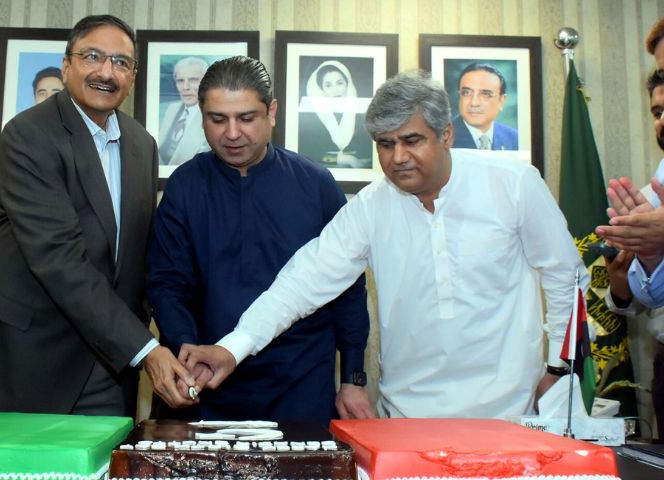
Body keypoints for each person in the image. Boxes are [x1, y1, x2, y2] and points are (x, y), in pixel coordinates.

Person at [180, 71, 587, 419]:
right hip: (411, 414)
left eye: (412, 140)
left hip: (512, 409)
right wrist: (231, 349)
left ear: (445, 134)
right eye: (385, 144)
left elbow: (565, 276)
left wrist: (560, 367)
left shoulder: (513, 183)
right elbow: (302, 282)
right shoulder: (373, 205)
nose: (398, 158)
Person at [0, 14, 196, 416]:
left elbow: (137, 258)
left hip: (108, 364)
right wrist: (146, 349)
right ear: (66, 65)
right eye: (93, 56)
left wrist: (174, 336)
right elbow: (59, 259)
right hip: (24, 357)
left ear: (133, 76)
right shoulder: (29, 134)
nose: (106, 72)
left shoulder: (142, 145)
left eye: (121, 62)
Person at [147, 56, 372, 424]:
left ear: (272, 112)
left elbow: (347, 287)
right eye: (217, 119)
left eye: (246, 118)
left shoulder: (316, 184)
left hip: (299, 385)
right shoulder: (184, 186)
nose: (232, 133)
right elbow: (167, 283)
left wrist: (352, 377)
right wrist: (188, 350)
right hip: (205, 386)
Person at [599, 68, 664, 437]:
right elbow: (638, 298)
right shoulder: (652, 193)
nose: (663, 122)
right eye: (657, 113)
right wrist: (633, 274)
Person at [298, 61, 371, 168]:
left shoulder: (363, 115)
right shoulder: (310, 118)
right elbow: (304, 155)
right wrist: (342, 159)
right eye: (328, 85)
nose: (335, 90)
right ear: (321, 90)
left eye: (340, 83)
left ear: (348, 85)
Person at [451, 62, 518, 151]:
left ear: (501, 101)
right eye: (466, 93)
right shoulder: (444, 137)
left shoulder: (514, 138)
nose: (474, 103)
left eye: (486, 94)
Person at [159, 56, 210, 166]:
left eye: (193, 80)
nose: (185, 87)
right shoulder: (172, 108)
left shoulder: (213, 117)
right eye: (180, 81)